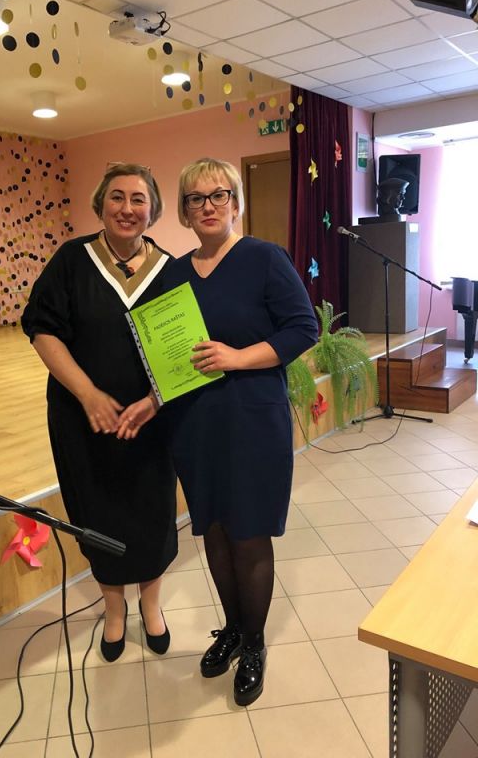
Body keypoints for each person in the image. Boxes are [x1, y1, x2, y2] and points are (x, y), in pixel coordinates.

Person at [162, 158, 318, 706]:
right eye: (195, 198)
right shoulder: (174, 275)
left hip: (252, 417)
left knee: (248, 533)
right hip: (195, 422)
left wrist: (236, 357)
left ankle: (253, 644)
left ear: (235, 202)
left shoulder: (265, 258)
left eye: (218, 195)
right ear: (184, 210)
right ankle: (231, 627)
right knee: (213, 528)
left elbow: (303, 328)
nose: (207, 206)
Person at [21, 162, 177, 662]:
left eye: (138, 199)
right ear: (100, 205)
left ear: (152, 209)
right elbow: (42, 329)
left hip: (150, 422)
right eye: (117, 197)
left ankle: (151, 605)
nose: (127, 208)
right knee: (97, 511)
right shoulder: (72, 260)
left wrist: (155, 400)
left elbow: (181, 351)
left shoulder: (169, 270)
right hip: (82, 418)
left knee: (152, 511)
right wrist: (88, 393)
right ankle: (114, 610)